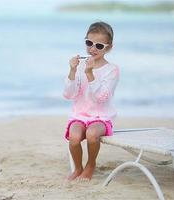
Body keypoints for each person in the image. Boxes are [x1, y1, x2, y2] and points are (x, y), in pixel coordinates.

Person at [63, 21, 119, 181]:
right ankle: (78, 168)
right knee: (74, 138)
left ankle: (91, 165)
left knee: (92, 134)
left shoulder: (112, 70)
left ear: (108, 47)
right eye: (89, 43)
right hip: (80, 115)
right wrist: (73, 71)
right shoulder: (80, 67)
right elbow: (69, 94)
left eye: (99, 46)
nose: (92, 48)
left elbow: (102, 98)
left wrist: (90, 74)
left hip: (101, 117)